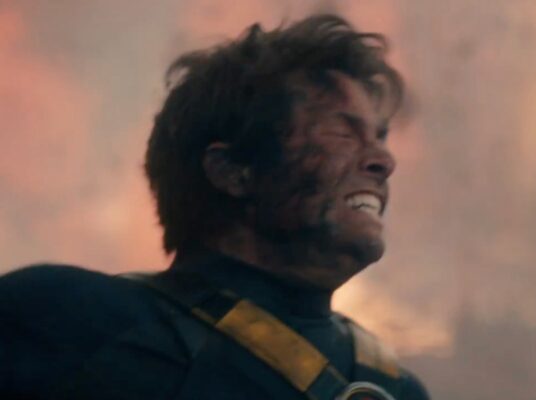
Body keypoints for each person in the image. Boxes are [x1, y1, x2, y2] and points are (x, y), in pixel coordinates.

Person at [0, 14, 430, 400]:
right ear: (232, 171)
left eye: (380, 137)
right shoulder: (64, 323)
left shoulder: (397, 390)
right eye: (344, 132)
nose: (384, 161)